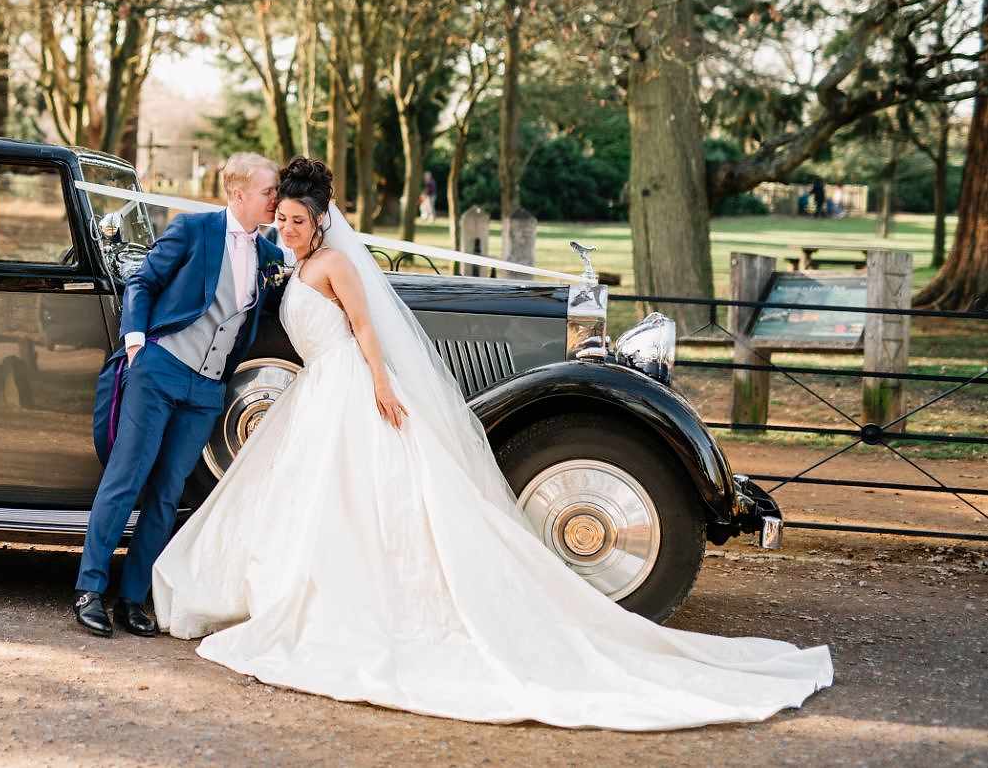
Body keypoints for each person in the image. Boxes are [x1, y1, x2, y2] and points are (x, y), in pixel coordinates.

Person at [151, 157, 833, 730]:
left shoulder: (333, 262)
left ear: (322, 220)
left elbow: (365, 329)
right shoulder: (287, 258)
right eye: (282, 219)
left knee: (365, 502)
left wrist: (383, 387)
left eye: (297, 220)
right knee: (314, 503)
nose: (287, 229)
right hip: (313, 399)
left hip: (352, 390)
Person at [72, 152, 289, 638]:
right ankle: (89, 589)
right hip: (159, 369)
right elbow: (143, 282)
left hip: (206, 390)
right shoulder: (194, 230)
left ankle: (131, 598)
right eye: (268, 191)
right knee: (126, 480)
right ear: (239, 194)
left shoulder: (269, 255)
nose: (275, 200)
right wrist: (135, 344)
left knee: (168, 495)